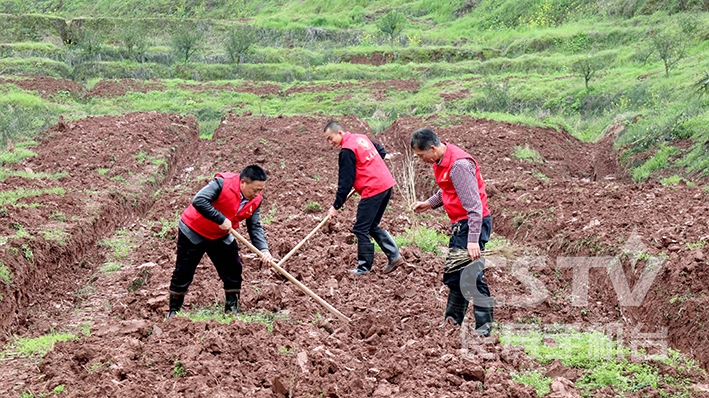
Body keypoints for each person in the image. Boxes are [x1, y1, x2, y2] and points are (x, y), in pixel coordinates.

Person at [410, 127, 494, 336]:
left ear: (432, 148)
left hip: (471, 224)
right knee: (455, 276)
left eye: (421, 155)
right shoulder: (440, 161)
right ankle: (452, 322)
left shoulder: (459, 166)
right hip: (462, 225)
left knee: (470, 277)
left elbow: (474, 206)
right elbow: (448, 190)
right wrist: (428, 204)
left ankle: (484, 328)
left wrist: (472, 240)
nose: (421, 160)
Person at [167, 165, 273, 318]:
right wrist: (220, 219)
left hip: (220, 234)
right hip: (194, 229)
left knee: (233, 270)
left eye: (260, 190)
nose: (257, 193)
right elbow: (199, 200)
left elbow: (254, 226)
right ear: (242, 183)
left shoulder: (256, 200)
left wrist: (263, 250)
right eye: (255, 189)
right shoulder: (222, 183)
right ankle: (174, 312)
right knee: (183, 272)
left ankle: (231, 310)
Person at [323, 120, 405, 276]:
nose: (330, 142)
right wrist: (368, 167)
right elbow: (381, 151)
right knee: (371, 225)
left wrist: (336, 206)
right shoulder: (361, 138)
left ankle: (363, 268)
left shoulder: (346, 150)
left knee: (361, 228)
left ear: (340, 133)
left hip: (373, 189)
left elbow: (345, 182)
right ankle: (394, 256)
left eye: (330, 138)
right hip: (386, 184)